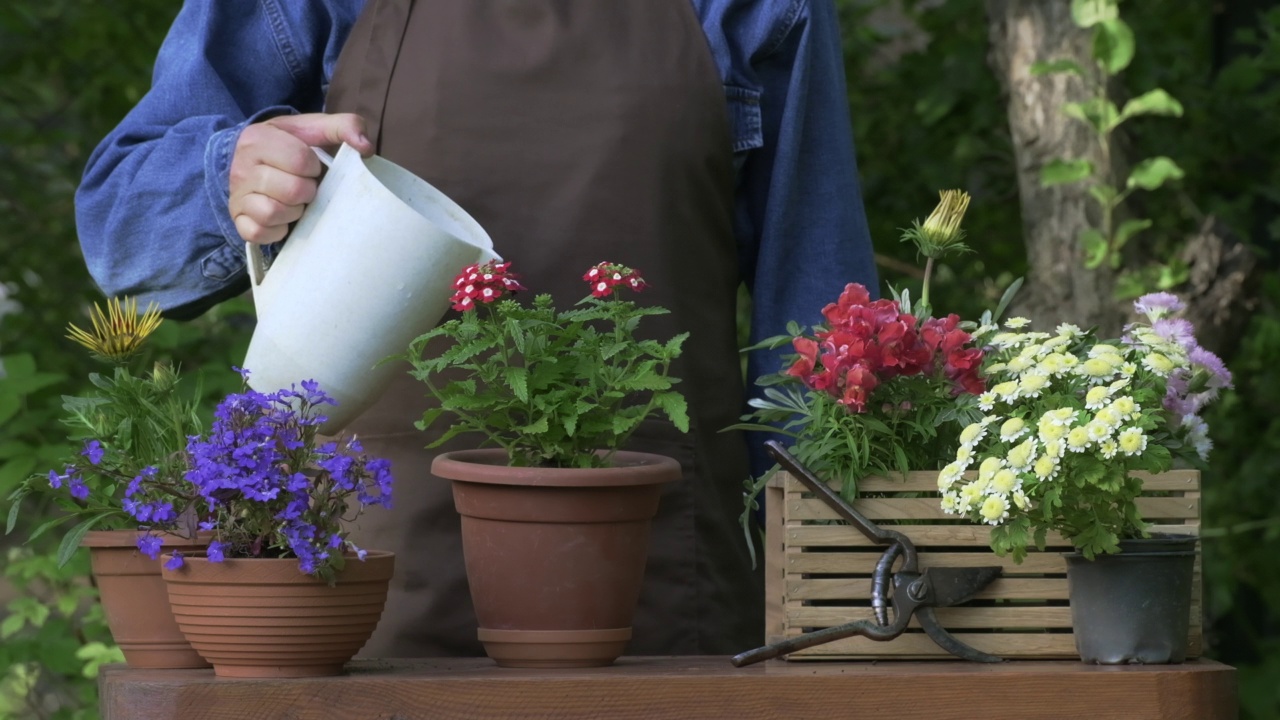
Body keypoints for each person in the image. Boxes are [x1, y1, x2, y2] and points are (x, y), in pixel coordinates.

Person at [75, 0, 878, 657]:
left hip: (664, 605)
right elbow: (118, 230)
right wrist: (232, 176)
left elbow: (817, 348)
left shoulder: (760, 8)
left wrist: (847, 632)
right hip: (357, 595)